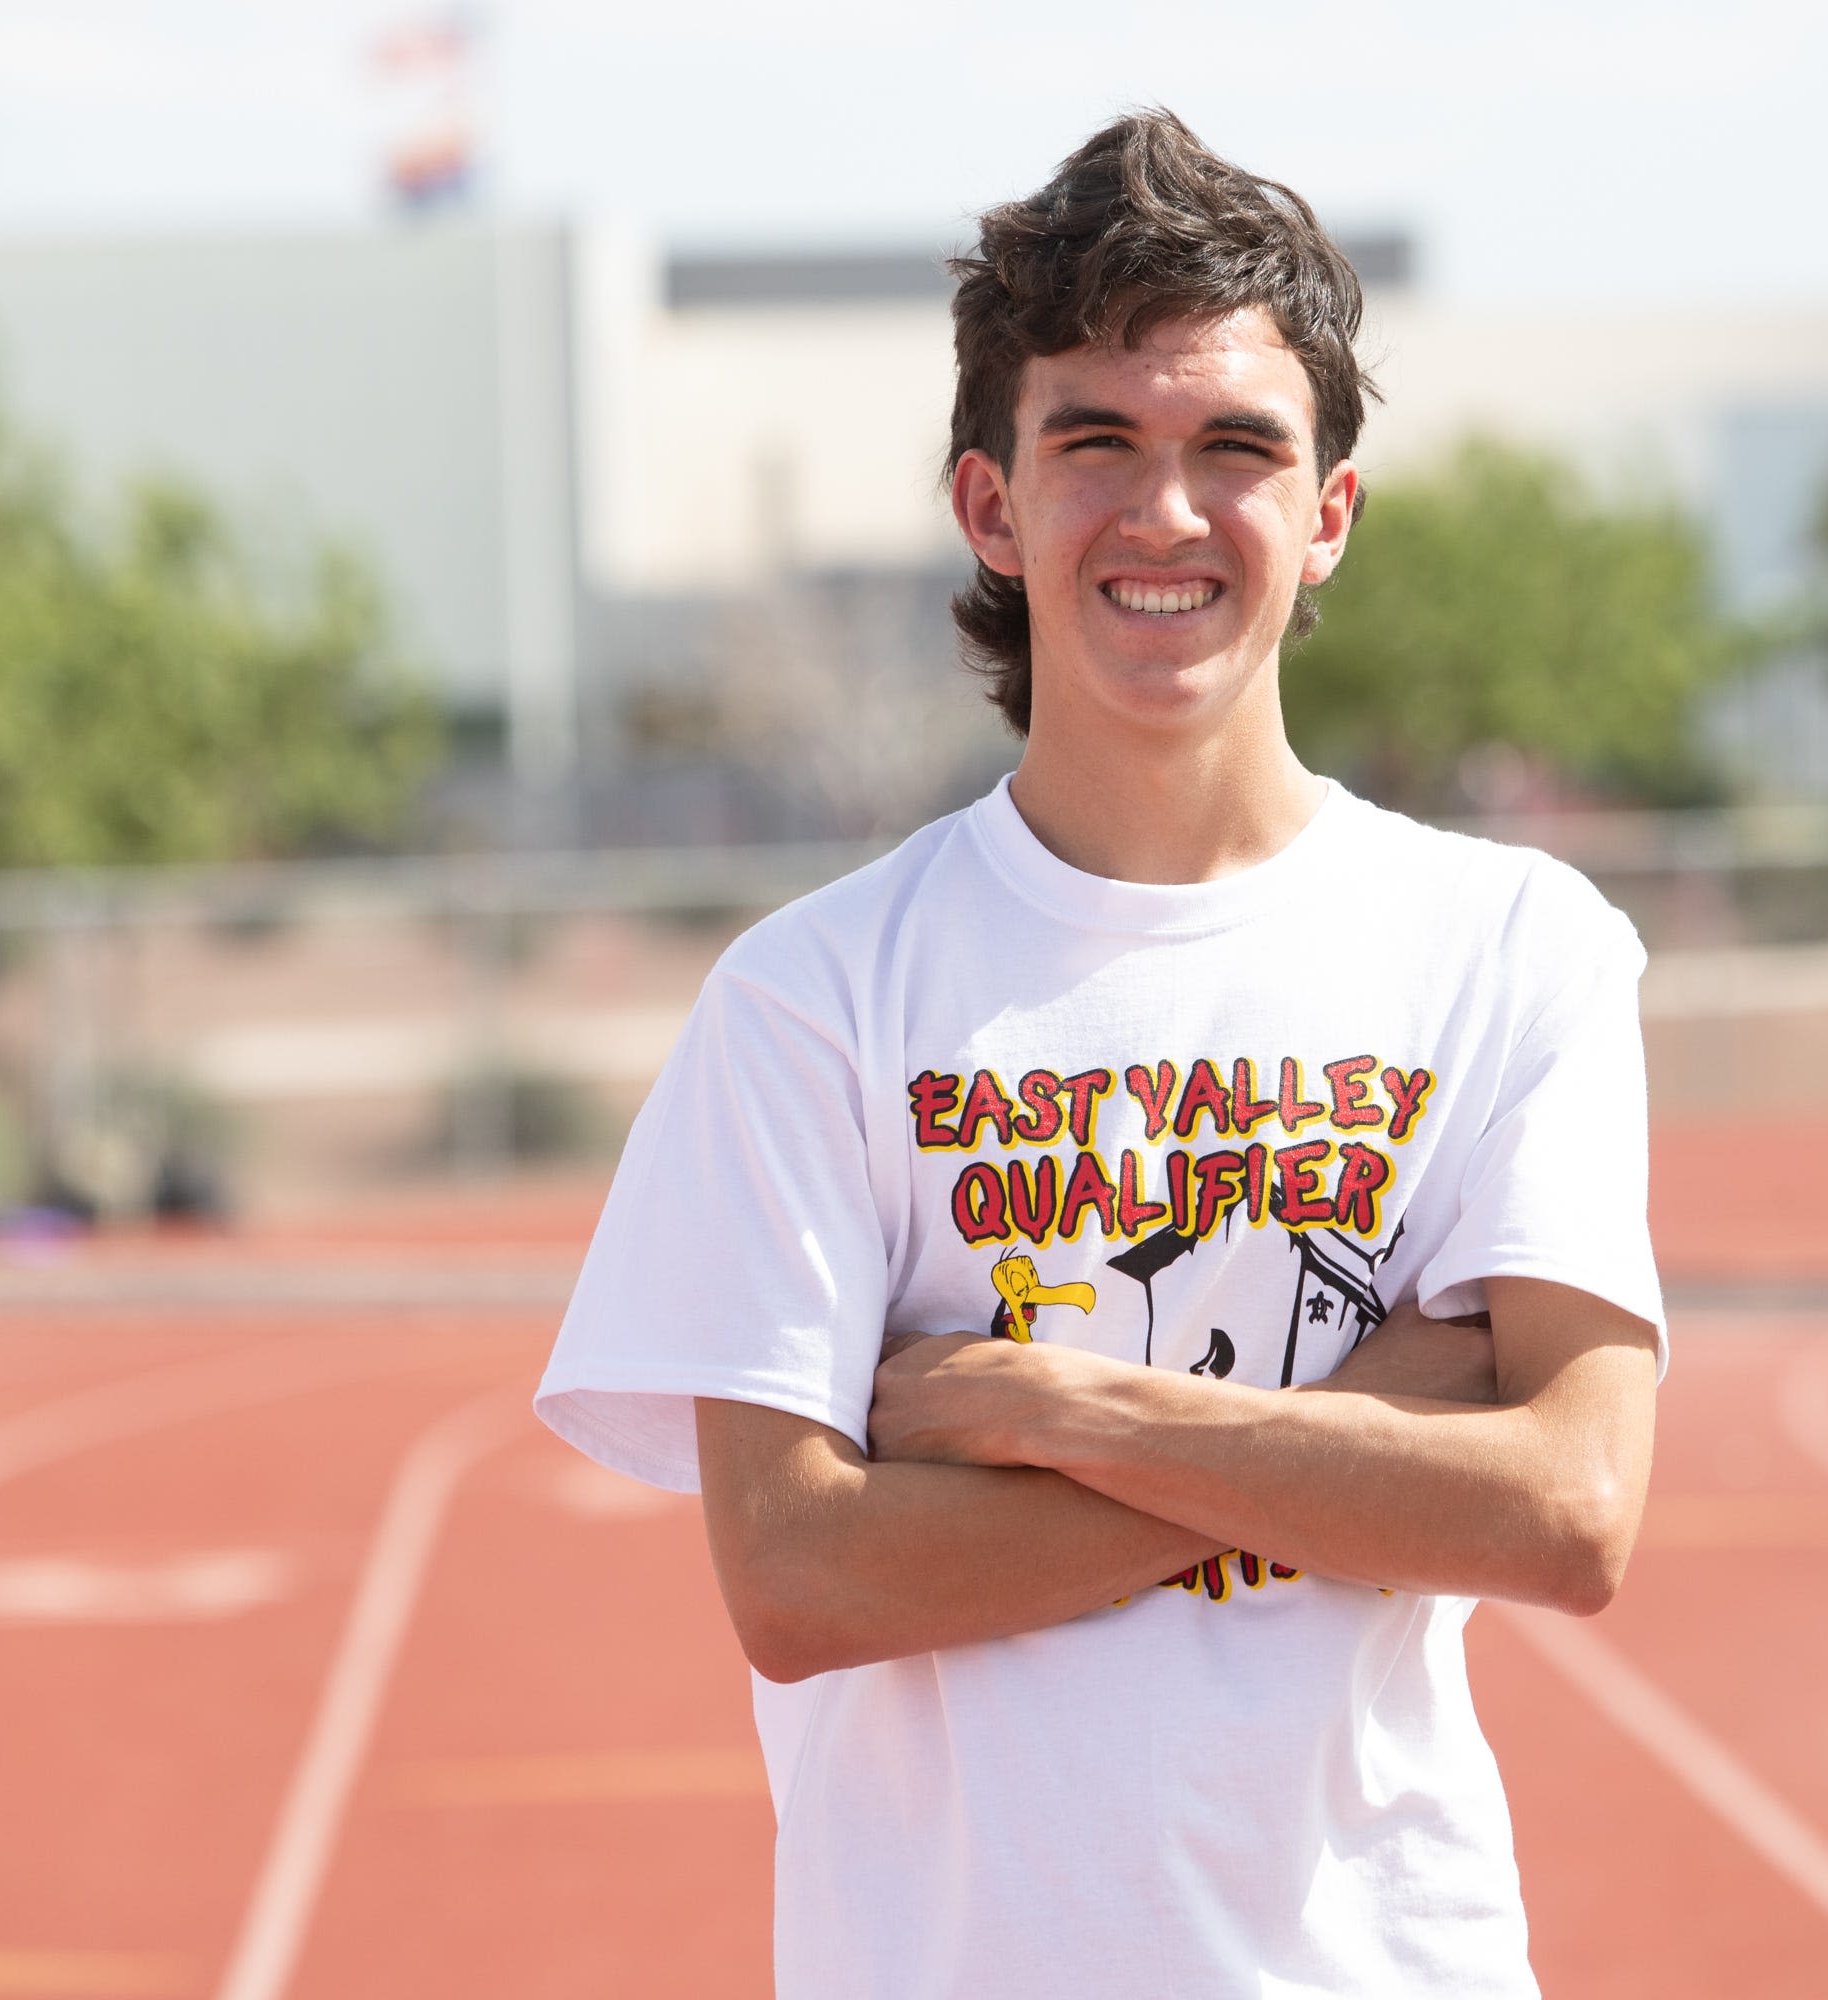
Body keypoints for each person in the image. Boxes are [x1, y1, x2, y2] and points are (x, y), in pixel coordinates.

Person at [536, 110, 1664, 1999]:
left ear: (1329, 517)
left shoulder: (1512, 948)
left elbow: (1565, 1512)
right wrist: (1364, 1432)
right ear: (990, 505)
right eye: (1098, 445)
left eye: (1237, 448)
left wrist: (1045, 1408)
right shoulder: (814, 999)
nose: (1166, 514)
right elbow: (803, 1585)